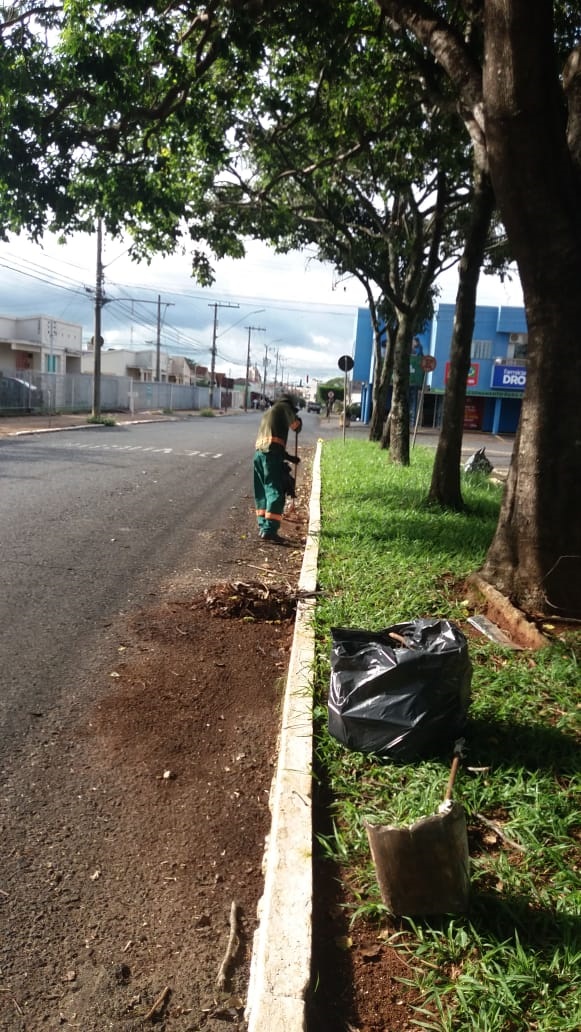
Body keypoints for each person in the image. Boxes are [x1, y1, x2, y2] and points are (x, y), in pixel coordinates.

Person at [253, 392, 302, 542]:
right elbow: (296, 427)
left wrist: (289, 457)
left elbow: (271, 441)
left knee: (262, 491)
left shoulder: (270, 410)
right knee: (275, 491)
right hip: (271, 456)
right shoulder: (284, 407)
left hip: (259, 455)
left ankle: (263, 527)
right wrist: (298, 419)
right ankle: (270, 530)